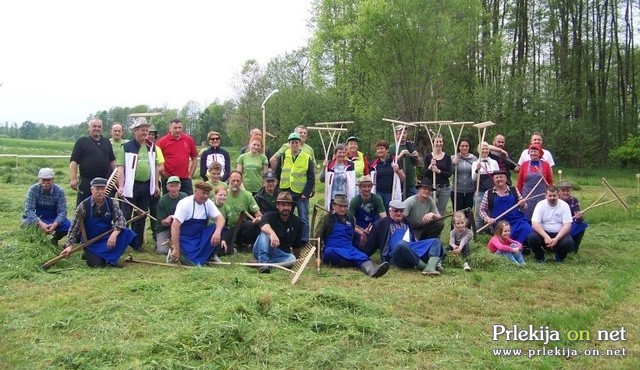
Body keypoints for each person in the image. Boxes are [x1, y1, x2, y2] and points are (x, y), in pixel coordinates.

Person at [60, 177, 136, 268]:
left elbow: (121, 219)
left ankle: (109, 257)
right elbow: (74, 227)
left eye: (102, 189)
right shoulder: (83, 206)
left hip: (107, 238)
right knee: (98, 265)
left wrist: (114, 234)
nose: (100, 192)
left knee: (127, 232)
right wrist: (69, 245)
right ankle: (91, 254)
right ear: (92, 190)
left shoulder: (110, 203)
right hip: (91, 242)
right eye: (97, 189)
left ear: (105, 190)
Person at [315, 194, 389, 277]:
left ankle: (372, 271)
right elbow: (317, 236)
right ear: (334, 206)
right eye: (340, 206)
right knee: (329, 252)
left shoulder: (351, 219)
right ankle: (355, 262)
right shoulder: (327, 218)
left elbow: (351, 237)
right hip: (333, 248)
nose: (343, 209)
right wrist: (318, 254)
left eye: (345, 206)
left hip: (348, 248)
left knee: (362, 255)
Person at [116, 117, 162, 251]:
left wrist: (156, 185)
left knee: (141, 215)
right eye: (142, 130)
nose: (145, 133)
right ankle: (121, 242)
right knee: (125, 214)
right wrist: (121, 186)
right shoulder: (126, 147)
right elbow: (120, 168)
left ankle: (137, 243)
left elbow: (155, 166)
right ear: (136, 131)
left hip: (146, 185)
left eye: (147, 130)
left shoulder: (151, 147)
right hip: (131, 185)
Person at [364, 200, 444, 276]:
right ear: (390, 211)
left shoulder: (406, 222)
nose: (399, 213)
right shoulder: (381, 223)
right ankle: (423, 266)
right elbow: (371, 243)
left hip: (411, 250)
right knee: (401, 244)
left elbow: (412, 239)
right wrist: (362, 255)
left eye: (401, 211)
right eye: (396, 211)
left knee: (435, 241)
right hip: (394, 256)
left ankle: (431, 267)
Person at [169, 182, 225, 265]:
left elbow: (221, 218)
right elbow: (174, 226)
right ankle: (174, 253)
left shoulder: (208, 203)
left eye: (207, 194)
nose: (205, 196)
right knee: (192, 261)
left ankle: (211, 255)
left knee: (218, 228)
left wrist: (217, 232)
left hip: (200, 236)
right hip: (185, 238)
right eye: (203, 193)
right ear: (195, 191)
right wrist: (176, 248)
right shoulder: (184, 204)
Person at [274, 132, 315, 245]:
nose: (294, 145)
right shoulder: (283, 156)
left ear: (299, 143)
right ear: (289, 143)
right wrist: (278, 190)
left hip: (300, 193)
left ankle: (303, 240)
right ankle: (285, 237)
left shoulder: (307, 157)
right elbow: (277, 173)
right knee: (284, 216)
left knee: (303, 218)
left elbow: (311, 178)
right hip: (286, 192)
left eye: (296, 142)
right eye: (292, 143)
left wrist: (305, 193)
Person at [252, 192, 304, 273]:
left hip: (281, 254)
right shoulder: (269, 215)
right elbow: (262, 225)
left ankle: (261, 264)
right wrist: (272, 233)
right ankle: (263, 263)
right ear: (277, 205)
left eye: (288, 205)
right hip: (261, 249)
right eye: (283, 205)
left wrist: (298, 261)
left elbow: (296, 245)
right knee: (265, 232)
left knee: (292, 259)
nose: (286, 208)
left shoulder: (297, 222)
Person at [69, 118, 116, 205]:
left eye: (99, 126)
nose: (97, 128)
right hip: (87, 182)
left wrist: (116, 177)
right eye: (94, 126)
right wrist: (73, 179)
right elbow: (74, 161)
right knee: (84, 207)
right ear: (89, 128)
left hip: (104, 182)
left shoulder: (106, 142)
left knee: (103, 207)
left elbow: (112, 160)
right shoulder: (81, 142)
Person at [479, 171, 533, 244]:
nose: (499, 179)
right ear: (493, 180)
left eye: (501, 177)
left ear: (506, 179)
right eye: (496, 178)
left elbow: (525, 206)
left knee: (527, 228)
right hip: (501, 224)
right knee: (506, 236)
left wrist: (522, 204)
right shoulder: (489, 193)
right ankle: (513, 246)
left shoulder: (513, 190)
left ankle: (524, 246)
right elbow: (482, 210)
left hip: (517, 220)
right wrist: (488, 219)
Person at [21, 167, 71, 245]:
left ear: (53, 180)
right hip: (38, 216)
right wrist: (40, 223)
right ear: (39, 180)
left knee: (68, 226)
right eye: (43, 180)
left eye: (48, 180)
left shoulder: (59, 191)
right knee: (25, 223)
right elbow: (29, 210)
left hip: (53, 217)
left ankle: (55, 239)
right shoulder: (33, 190)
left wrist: (55, 224)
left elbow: (62, 211)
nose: (46, 182)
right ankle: (35, 240)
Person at [526, 186, 574, 263]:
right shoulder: (540, 204)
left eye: (554, 195)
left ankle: (559, 257)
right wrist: (546, 237)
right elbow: (535, 223)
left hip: (559, 234)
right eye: (550, 196)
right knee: (532, 238)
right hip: (544, 233)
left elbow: (567, 225)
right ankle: (540, 257)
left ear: (558, 195)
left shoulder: (564, 205)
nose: (552, 198)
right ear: (546, 196)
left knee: (568, 243)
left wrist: (556, 239)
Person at [156, 118, 198, 195]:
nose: (178, 130)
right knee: (170, 204)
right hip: (168, 179)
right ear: (170, 128)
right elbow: (157, 161)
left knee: (188, 203)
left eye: (179, 128)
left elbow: (194, 158)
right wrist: (163, 174)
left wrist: (190, 175)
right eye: (175, 128)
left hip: (185, 179)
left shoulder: (188, 140)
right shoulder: (161, 142)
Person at [223, 171, 263, 251]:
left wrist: (257, 219)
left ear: (241, 182)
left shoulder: (247, 195)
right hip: (226, 228)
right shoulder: (223, 194)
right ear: (229, 180)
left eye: (238, 181)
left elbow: (259, 215)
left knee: (250, 225)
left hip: (241, 227)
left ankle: (242, 244)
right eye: (233, 181)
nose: (235, 183)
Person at [517, 144, 553, 219]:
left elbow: (550, 181)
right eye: (531, 151)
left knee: (540, 215)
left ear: (539, 153)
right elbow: (519, 181)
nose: (533, 153)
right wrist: (519, 196)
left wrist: (551, 192)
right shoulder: (524, 164)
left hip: (541, 195)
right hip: (527, 195)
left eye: (535, 151)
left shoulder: (545, 165)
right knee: (526, 215)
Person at [348, 175, 386, 248]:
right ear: (360, 187)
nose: (367, 189)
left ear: (371, 187)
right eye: (364, 187)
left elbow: (384, 218)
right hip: (359, 226)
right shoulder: (355, 200)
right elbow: (349, 221)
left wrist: (373, 228)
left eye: (369, 186)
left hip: (373, 225)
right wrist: (362, 233)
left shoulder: (377, 199)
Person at [155, 176, 187, 255]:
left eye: (176, 186)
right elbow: (162, 222)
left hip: (181, 226)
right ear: (167, 187)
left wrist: (173, 217)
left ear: (179, 187)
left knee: (184, 249)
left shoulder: (185, 197)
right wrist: (167, 220)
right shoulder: (162, 201)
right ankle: (160, 243)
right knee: (163, 251)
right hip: (164, 228)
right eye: (171, 186)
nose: (174, 189)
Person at [471, 142, 500, 230]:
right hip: (480, 191)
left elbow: (498, 177)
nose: (485, 150)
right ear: (478, 150)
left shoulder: (494, 162)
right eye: (483, 148)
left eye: (486, 148)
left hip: (492, 191)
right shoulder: (475, 163)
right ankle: (476, 235)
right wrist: (477, 170)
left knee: (493, 212)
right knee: (479, 214)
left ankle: (493, 232)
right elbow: (473, 178)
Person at [370, 140, 405, 210]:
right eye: (378, 149)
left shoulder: (395, 161)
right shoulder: (374, 163)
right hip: (378, 193)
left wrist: (398, 171)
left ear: (387, 150)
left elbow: (403, 178)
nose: (379, 150)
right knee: (379, 211)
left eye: (382, 148)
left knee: (390, 211)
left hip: (391, 193)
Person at [320, 143, 356, 210]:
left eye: (343, 153)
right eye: (339, 152)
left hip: (344, 197)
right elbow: (322, 179)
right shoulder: (329, 164)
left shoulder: (350, 165)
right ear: (335, 154)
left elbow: (352, 182)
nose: (341, 155)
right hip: (333, 198)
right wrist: (324, 167)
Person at [423, 134, 452, 215]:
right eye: (437, 141)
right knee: (430, 211)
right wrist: (430, 166)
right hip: (431, 188)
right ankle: (432, 227)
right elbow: (425, 174)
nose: (439, 144)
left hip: (444, 188)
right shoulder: (428, 157)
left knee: (441, 212)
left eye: (440, 141)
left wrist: (438, 171)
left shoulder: (447, 157)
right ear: (433, 143)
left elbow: (449, 174)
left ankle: (439, 226)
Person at [391, 125, 422, 198]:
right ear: (396, 135)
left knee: (415, 201)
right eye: (400, 133)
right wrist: (400, 155)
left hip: (411, 183)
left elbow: (417, 164)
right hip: (398, 184)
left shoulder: (411, 147)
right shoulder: (392, 148)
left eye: (404, 133)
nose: (403, 135)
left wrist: (417, 157)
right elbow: (391, 162)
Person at [557, 181, 588, 253]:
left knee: (582, 225)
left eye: (567, 191)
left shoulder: (574, 200)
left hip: (569, 224)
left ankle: (574, 248)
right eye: (563, 191)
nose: (565, 193)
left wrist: (579, 217)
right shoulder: (555, 199)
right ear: (559, 191)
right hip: (557, 223)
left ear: (571, 191)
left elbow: (579, 219)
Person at [147, 125, 165, 242]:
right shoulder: (140, 147)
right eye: (148, 134)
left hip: (155, 182)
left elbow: (161, 165)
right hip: (142, 183)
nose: (150, 136)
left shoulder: (157, 149)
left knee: (155, 209)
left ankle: (155, 233)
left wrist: (153, 170)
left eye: (152, 135)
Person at [450, 138, 477, 212]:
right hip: (457, 190)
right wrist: (453, 163)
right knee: (457, 213)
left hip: (470, 190)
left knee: (468, 212)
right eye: (462, 146)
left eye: (466, 146)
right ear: (458, 147)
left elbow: (476, 174)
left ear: (469, 147)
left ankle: (468, 224)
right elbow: (449, 173)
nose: (464, 148)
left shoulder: (474, 159)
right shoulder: (453, 158)